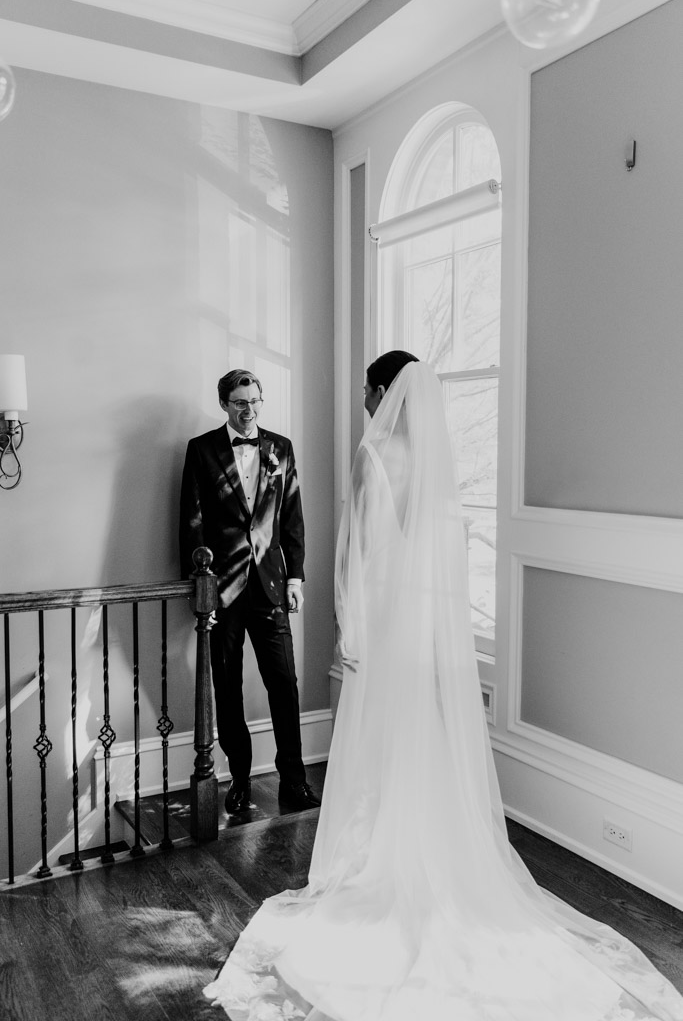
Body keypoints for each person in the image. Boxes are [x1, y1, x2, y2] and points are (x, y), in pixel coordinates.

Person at [203, 355, 683, 1020]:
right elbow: (440, 551)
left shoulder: (372, 454)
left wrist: (350, 624)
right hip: (421, 624)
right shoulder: (435, 460)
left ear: (380, 393)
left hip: (383, 619)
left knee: (379, 738)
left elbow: (357, 553)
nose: (364, 399)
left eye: (367, 390)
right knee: (419, 735)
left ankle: (384, 860)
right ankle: (424, 851)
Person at [179, 368, 320, 814]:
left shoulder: (281, 447)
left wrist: (295, 578)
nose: (249, 410)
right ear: (224, 404)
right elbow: (191, 523)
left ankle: (293, 781)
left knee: (285, 683)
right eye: (240, 403)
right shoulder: (201, 450)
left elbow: (292, 515)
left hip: (271, 586)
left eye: (255, 401)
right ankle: (239, 779)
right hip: (221, 591)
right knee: (227, 687)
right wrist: (201, 590)